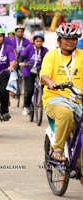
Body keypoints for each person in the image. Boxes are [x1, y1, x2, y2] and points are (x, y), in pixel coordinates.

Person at [40, 22, 83, 162]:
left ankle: (79, 166)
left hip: (78, 100)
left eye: (73, 39)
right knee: (65, 113)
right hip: (55, 98)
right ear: (59, 40)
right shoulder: (51, 55)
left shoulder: (81, 55)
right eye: (66, 38)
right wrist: (51, 83)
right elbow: (44, 75)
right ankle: (57, 149)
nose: (70, 42)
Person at [18, 33, 48, 116]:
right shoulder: (29, 48)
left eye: (40, 41)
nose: (39, 43)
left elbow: (48, 60)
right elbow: (22, 56)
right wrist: (21, 62)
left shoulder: (45, 50)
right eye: (37, 41)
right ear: (34, 41)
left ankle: (41, 104)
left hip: (40, 71)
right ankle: (26, 106)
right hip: (28, 70)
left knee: (44, 89)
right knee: (30, 90)